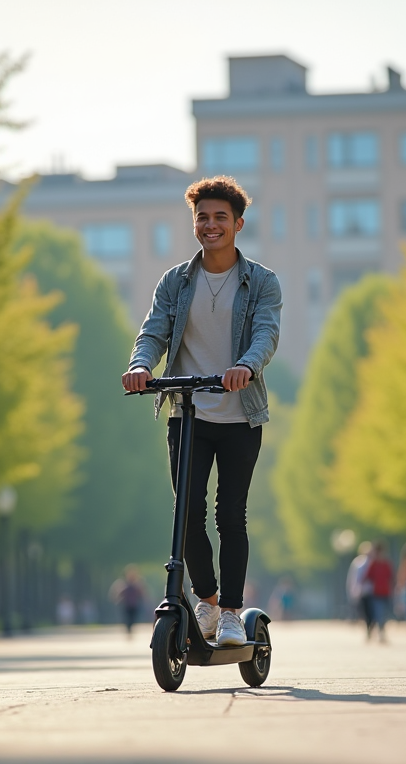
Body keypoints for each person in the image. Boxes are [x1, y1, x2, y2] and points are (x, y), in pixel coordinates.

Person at [122, 175, 282, 647]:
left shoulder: (262, 282)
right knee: (186, 511)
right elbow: (154, 330)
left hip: (239, 413)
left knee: (230, 513)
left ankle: (231, 611)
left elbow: (266, 334)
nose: (210, 225)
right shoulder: (176, 280)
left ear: (238, 224)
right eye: (202, 217)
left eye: (220, 218)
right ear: (194, 223)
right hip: (188, 411)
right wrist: (139, 364)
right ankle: (206, 600)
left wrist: (245, 366)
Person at [364, 543, 393, 643]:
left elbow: (391, 577)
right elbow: (367, 577)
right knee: (378, 613)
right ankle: (380, 632)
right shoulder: (374, 564)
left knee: (384, 613)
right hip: (376, 593)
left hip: (386, 592)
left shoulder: (386, 564)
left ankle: (377, 630)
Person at [110, 565, 146, 637]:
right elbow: (118, 593)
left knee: (133, 617)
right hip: (126, 605)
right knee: (127, 617)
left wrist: (143, 599)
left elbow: (142, 593)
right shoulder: (123, 584)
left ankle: (130, 626)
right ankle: (128, 627)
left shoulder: (137, 584)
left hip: (134, 604)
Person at [346, 541, 374, 633]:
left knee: (372, 611)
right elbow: (353, 577)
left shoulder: (374, 562)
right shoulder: (358, 562)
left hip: (373, 591)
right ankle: (368, 626)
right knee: (365, 611)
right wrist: (353, 589)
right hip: (362, 591)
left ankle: (371, 626)